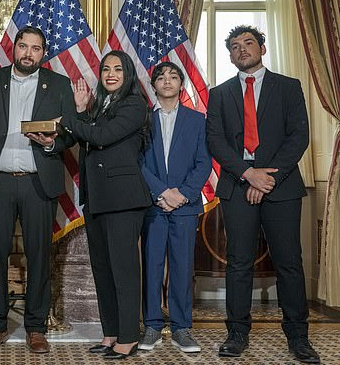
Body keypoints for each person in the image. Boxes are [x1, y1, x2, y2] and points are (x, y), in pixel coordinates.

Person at [206, 25, 319, 363]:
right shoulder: (219, 93)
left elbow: (298, 136)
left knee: (289, 263)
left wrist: (266, 178)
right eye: (235, 46)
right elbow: (216, 141)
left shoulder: (288, 87)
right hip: (237, 185)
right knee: (238, 263)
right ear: (230, 55)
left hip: (281, 186)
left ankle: (298, 337)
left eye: (249, 43)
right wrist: (248, 174)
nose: (242, 50)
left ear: (262, 49)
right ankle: (237, 334)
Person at [0, 26, 76, 354]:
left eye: (36, 48)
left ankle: (36, 327)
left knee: (39, 256)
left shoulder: (59, 85)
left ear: (44, 53)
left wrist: (50, 142)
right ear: (14, 48)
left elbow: (70, 133)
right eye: (23, 46)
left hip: (37, 183)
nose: (28, 53)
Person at [57, 50, 151, 359]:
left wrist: (70, 117)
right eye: (106, 69)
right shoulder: (101, 106)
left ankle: (128, 337)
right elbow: (90, 133)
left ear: (127, 75)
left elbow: (102, 137)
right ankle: (110, 333)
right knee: (103, 270)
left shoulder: (135, 105)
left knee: (123, 271)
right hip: (96, 199)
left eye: (117, 69)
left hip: (123, 200)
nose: (110, 74)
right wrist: (83, 111)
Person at [138, 61, 212, 353]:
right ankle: (152, 326)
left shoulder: (197, 120)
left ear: (181, 85)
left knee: (182, 268)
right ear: (153, 85)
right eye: (161, 77)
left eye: (173, 76)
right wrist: (161, 193)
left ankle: (182, 328)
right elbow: (138, 162)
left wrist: (182, 194)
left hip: (184, 206)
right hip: (153, 206)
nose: (167, 81)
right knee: (152, 266)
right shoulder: (142, 119)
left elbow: (204, 162)